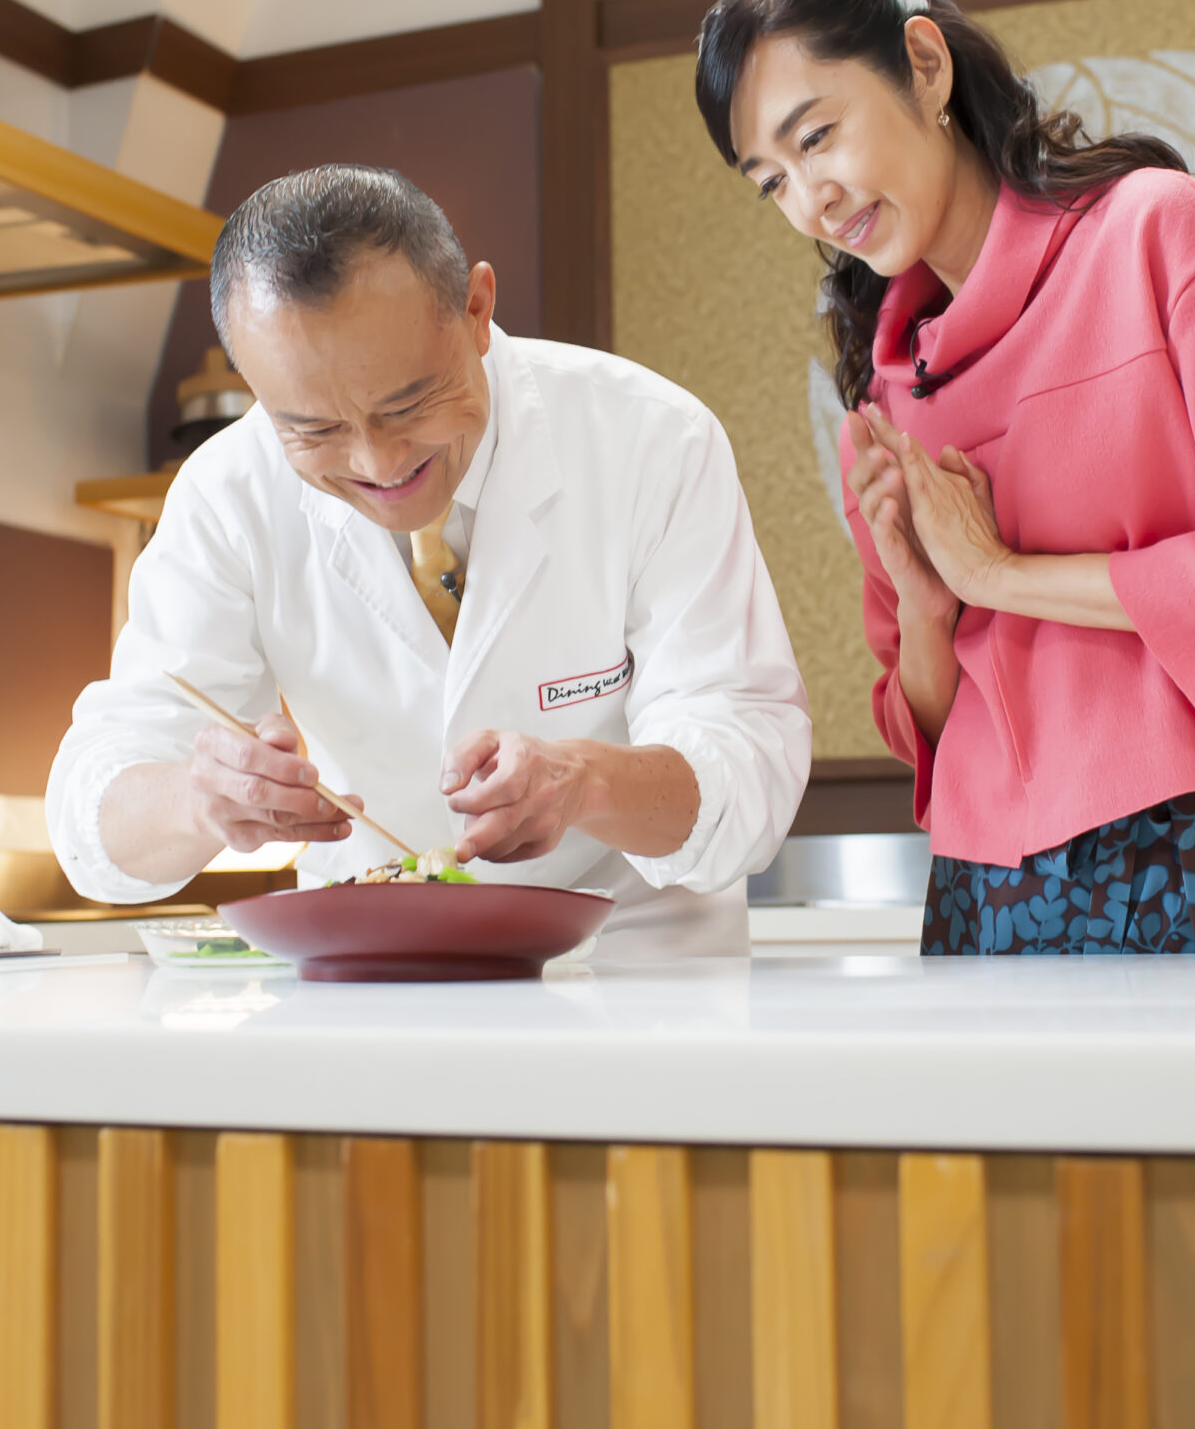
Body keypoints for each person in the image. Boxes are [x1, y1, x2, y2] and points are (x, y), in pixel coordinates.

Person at [696, 0, 1195, 954]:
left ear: (924, 63)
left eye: (816, 137)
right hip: (984, 881)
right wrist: (929, 601)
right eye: (769, 181)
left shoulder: (1156, 233)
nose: (809, 200)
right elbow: (928, 722)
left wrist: (1000, 573)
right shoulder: (881, 394)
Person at [47, 165, 810, 954]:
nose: (377, 464)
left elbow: (747, 766)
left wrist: (586, 782)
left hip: (636, 984)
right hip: (369, 992)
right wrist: (198, 799)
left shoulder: (652, 439)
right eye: (313, 429)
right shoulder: (225, 491)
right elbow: (91, 822)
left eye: (407, 404)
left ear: (476, 310)